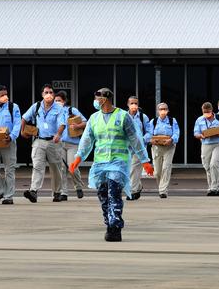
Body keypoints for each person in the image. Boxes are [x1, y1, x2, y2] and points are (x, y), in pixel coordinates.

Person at [69, 88, 153, 242]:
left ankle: (114, 227)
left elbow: (135, 138)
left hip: (118, 162)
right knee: (103, 194)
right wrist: (78, 158)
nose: (95, 101)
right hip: (100, 163)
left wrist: (145, 160)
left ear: (105, 98)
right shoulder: (94, 118)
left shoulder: (123, 116)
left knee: (113, 193)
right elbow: (87, 140)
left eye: (97, 97)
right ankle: (109, 221)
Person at [21, 84, 63, 203]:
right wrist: (22, 131)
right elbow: (24, 118)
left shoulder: (58, 108)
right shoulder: (37, 106)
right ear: (42, 94)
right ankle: (33, 191)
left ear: (53, 94)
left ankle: (57, 192)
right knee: (37, 166)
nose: (48, 94)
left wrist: (58, 134)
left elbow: (62, 124)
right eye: (46, 92)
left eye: (50, 92)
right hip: (39, 140)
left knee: (55, 168)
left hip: (53, 141)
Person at [0, 85, 21, 205]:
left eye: (6, 94)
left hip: (9, 142)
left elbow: (17, 124)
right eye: (2, 95)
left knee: (9, 169)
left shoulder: (13, 107)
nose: (5, 97)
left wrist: (11, 136)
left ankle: (8, 196)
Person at [55, 91, 87, 200]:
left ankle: (78, 186)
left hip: (72, 144)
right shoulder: (53, 112)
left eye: (59, 100)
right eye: (55, 101)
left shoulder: (71, 110)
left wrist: (77, 126)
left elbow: (85, 122)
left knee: (71, 166)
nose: (57, 102)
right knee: (61, 168)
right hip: (59, 144)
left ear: (64, 101)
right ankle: (64, 193)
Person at [194, 102, 219, 196]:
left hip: (217, 144)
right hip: (205, 144)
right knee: (207, 166)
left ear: (212, 110)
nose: (207, 114)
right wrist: (200, 135)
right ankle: (213, 187)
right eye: (205, 112)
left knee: (214, 164)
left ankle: (214, 188)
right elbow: (196, 133)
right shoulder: (199, 120)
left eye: (208, 112)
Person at [149, 102, 180, 198]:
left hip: (169, 147)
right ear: (158, 111)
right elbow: (148, 134)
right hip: (157, 148)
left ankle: (163, 190)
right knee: (157, 171)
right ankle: (161, 187)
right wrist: (151, 140)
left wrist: (171, 140)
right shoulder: (153, 122)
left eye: (165, 109)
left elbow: (176, 133)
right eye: (161, 109)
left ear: (168, 110)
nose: (163, 111)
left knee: (166, 168)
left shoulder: (172, 121)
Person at [126, 96, 151, 201]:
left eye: (136, 103)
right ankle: (138, 186)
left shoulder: (143, 117)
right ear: (128, 104)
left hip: (139, 149)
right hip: (127, 148)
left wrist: (142, 140)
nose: (134, 105)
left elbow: (149, 132)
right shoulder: (124, 116)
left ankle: (132, 192)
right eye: (132, 103)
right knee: (129, 170)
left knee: (133, 169)